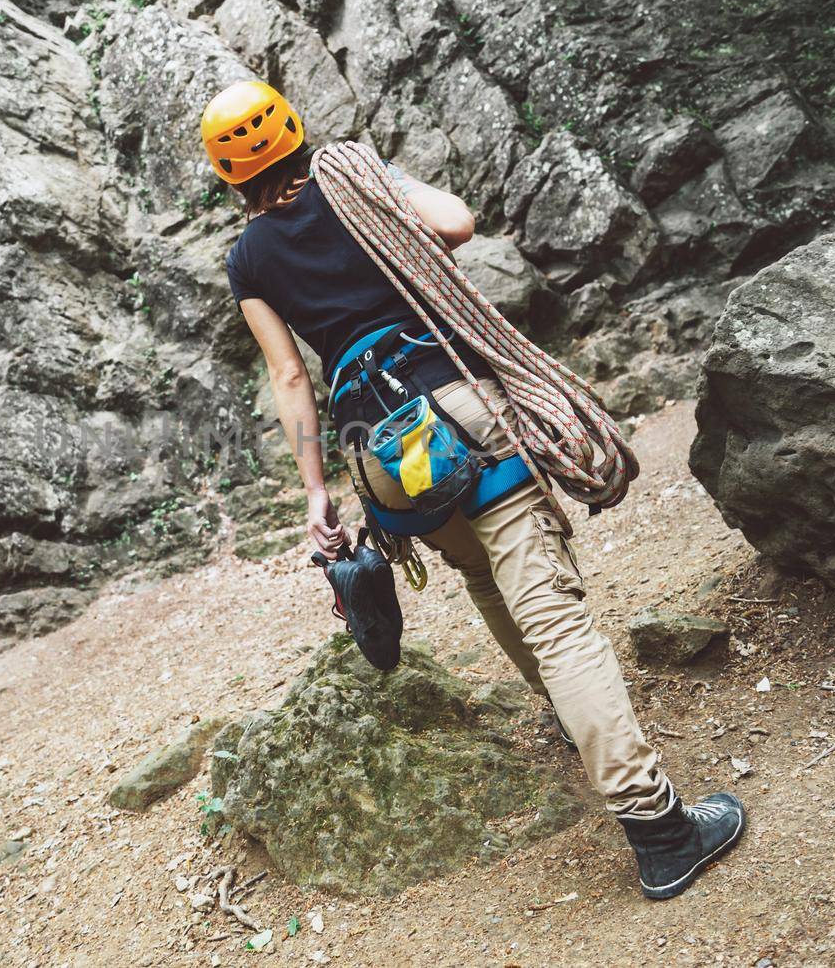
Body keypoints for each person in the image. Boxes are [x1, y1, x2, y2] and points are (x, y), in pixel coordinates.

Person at [205, 79, 746, 900]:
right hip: (453, 403)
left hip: (378, 447)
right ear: (294, 129)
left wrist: (315, 493)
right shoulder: (352, 172)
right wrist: (375, 182)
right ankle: (661, 829)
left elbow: (289, 377)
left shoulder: (248, 258)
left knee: (485, 577)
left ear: (227, 174)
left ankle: (576, 721)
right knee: (554, 615)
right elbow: (455, 223)